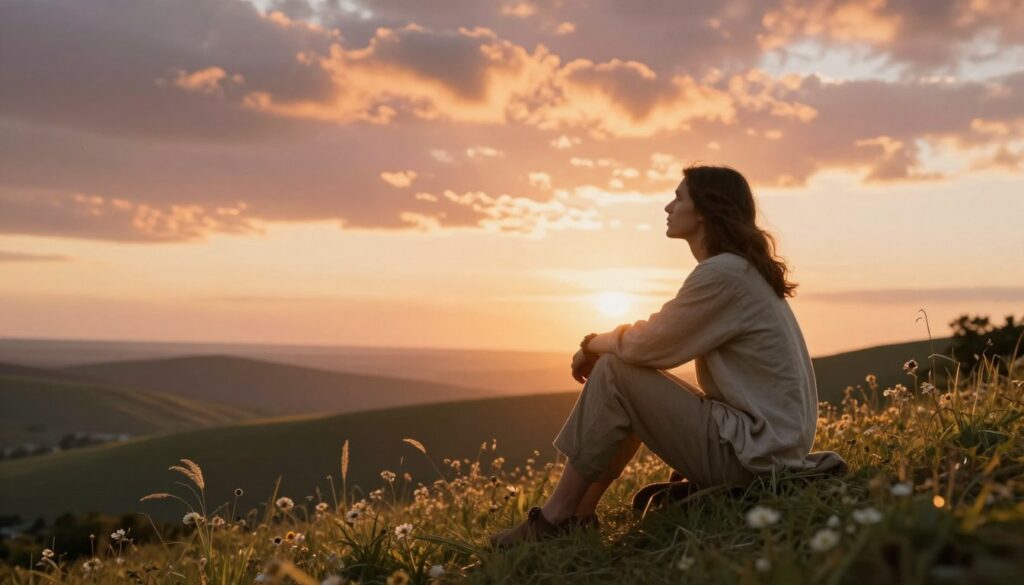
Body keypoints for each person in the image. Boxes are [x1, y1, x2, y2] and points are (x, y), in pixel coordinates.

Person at [489, 163, 847, 549]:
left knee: (615, 370)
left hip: (754, 457)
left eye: (678, 197)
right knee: (622, 373)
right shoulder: (739, 271)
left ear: (705, 210)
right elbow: (654, 344)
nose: (667, 207)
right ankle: (577, 517)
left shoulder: (724, 274)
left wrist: (593, 343)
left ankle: (556, 518)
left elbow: (649, 344)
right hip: (764, 448)